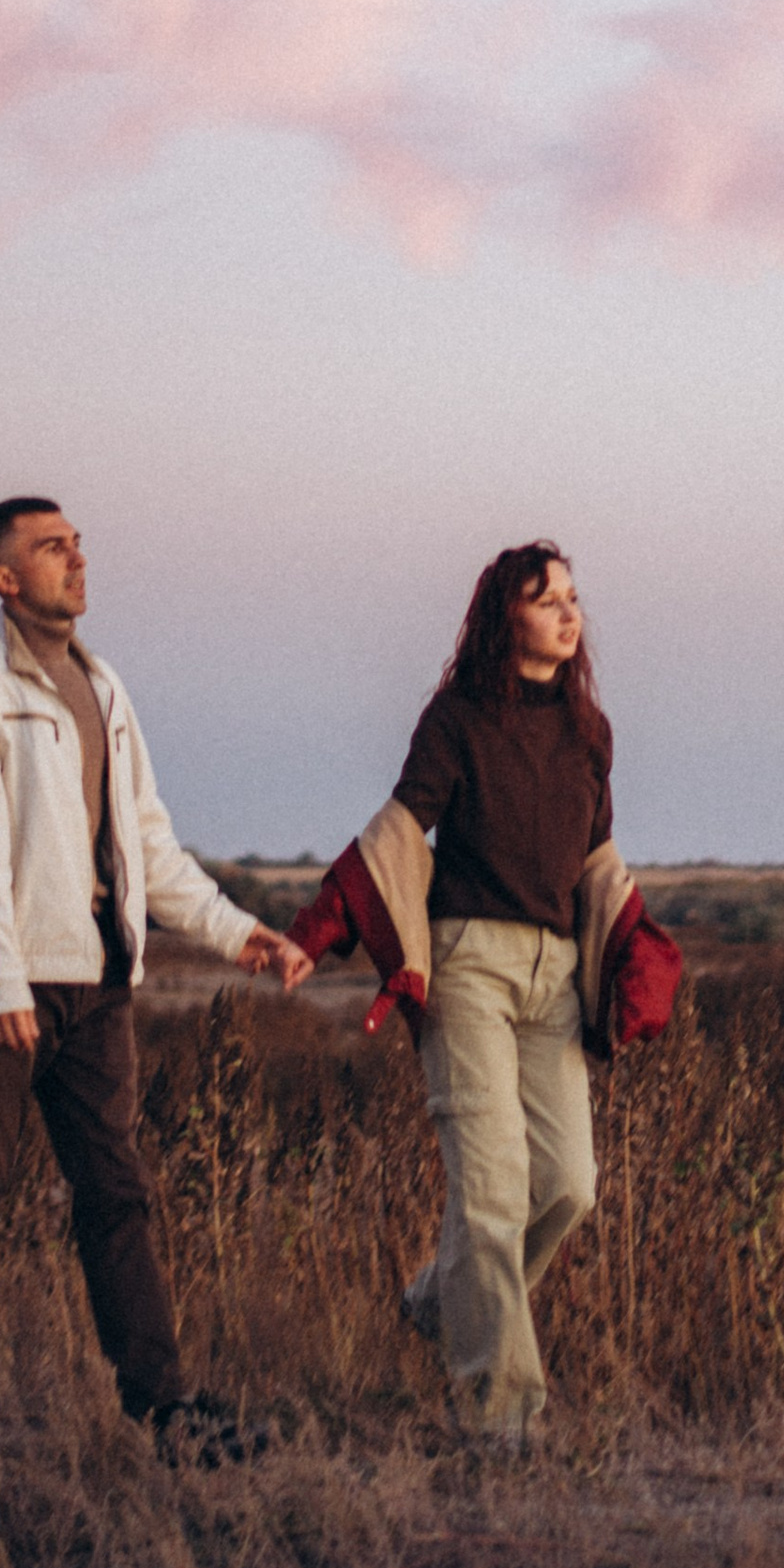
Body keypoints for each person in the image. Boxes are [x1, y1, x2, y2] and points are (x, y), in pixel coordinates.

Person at [0, 495, 300, 1459]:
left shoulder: (102, 688)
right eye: (52, 546)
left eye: (76, 541)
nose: (77, 556)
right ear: (4, 577)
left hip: (101, 987)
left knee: (117, 1192)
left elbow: (146, 840)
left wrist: (239, 935)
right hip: (16, 994)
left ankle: (164, 1411)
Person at [290, 542, 681, 1449]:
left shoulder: (591, 730)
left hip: (554, 978)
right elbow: (400, 827)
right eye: (546, 598)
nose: (567, 611)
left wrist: (635, 954)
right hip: (467, 964)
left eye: (575, 597)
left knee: (569, 1185)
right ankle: (504, 1412)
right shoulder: (458, 715)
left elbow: (597, 860)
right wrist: (318, 929)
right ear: (507, 614)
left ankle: (437, 1297)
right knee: (494, 1189)